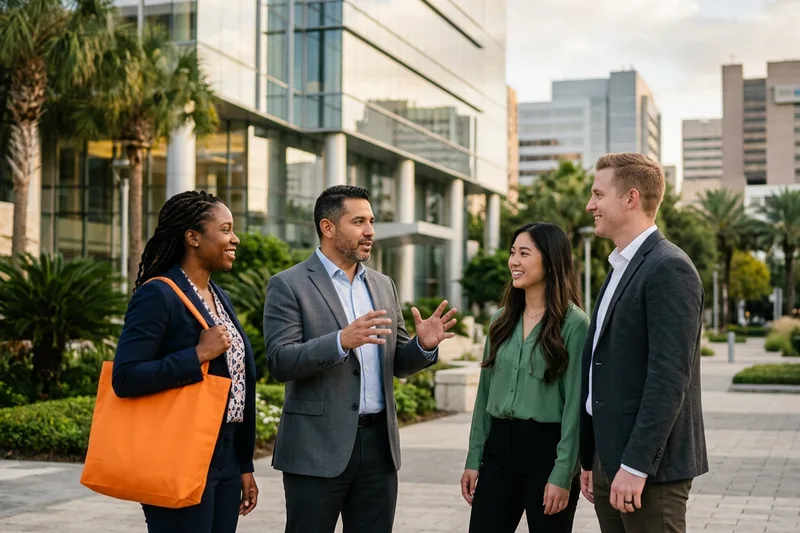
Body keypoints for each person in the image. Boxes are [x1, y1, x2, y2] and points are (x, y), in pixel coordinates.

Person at [263, 184, 458, 533]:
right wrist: (340, 341)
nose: (370, 231)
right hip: (315, 449)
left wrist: (423, 346)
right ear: (328, 227)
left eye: (371, 221)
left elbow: (398, 362)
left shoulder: (383, 285)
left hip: (378, 449)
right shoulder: (288, 284)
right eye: (358, 222)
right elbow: (280, 360)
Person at [112, 191, 258, 533]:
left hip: (224, 455)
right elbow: (126, 377)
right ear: (193, 237)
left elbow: (237, 385)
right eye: (225, 229)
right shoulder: (158, 293)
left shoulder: (219, 296)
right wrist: (197, 355)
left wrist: (243, 464)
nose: (234, 238)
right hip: (178, 453)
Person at [579, 153, 707, 532]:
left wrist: (635, 465)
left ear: (631, 198)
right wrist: (591, 459)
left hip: (648, 469)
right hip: (608, 459)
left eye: (598, 194)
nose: (590, 206)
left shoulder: (669, 267)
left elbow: (669, 379)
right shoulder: (620, 266)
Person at [462, 222, 589, 533]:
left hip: (547, 451)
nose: (513, 262)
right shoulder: (500, 321)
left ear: (550, 260)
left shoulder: (574, 324)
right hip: (499, 449)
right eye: (512, 253)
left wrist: (563, 473)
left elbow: (575, 404)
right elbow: (485, 396)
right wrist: (473, 458)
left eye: (523, 253)